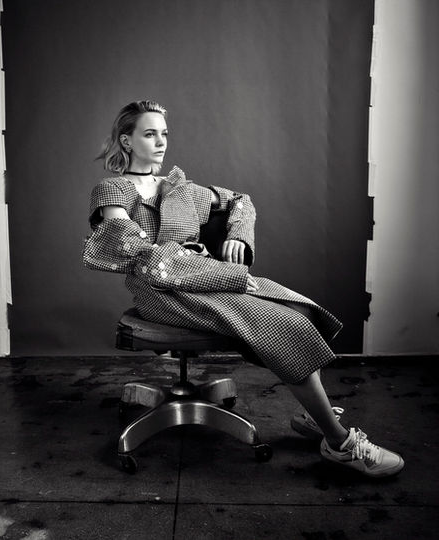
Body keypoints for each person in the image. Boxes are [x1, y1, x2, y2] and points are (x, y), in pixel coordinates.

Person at [83, 100, 404, 478]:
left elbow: (241, 201)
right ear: (127, 140)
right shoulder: (112, 189)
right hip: (161, 293)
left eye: (164, 133)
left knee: (299, 310)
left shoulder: (180, 188)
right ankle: (339, 443)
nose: (161, 142)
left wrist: (238, 236)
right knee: (285, 326)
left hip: (206, 277)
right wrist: (225, 276)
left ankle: (312, 416)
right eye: (149, 134)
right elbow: (138, 253)